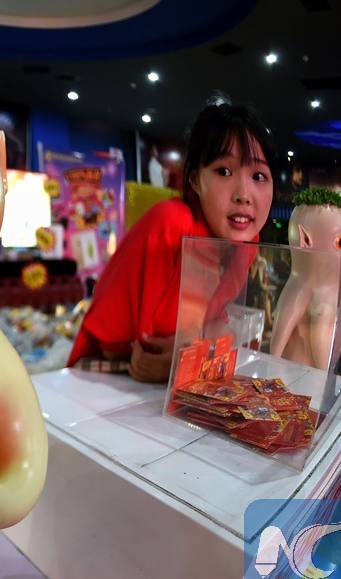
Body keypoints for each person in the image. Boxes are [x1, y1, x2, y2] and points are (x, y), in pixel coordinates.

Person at [67, 92, 277, 382]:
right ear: (195, 180)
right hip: (112, 383)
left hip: (180, 388)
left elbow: (213, 323)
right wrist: (185, 358)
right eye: (224, 171)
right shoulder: (171, 224)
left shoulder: (247, 242)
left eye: (259, 176)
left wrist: (186, 358)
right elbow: (115, 346)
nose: (244, 195)